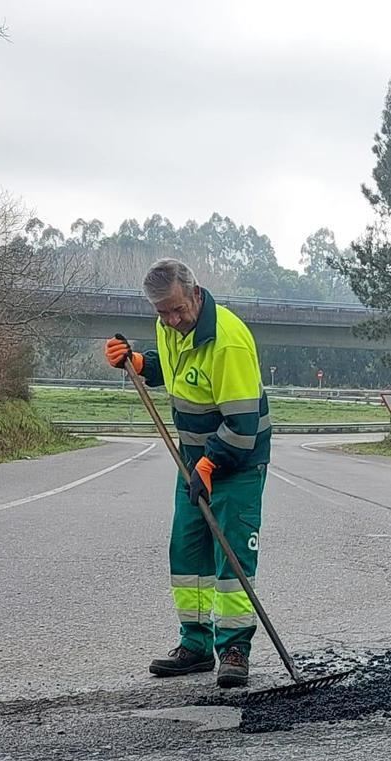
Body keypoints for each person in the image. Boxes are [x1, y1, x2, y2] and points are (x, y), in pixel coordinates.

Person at [104, 259, 271, 688]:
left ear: (196, 294)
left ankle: (234, 648)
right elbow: (175, 371)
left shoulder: (228, 342)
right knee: (187, 551)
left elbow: (242, 425)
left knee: (231, 556)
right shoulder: (169, 326)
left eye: (178, 310)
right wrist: (138, 362)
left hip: (237, 461)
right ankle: (195, 645)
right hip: (191, 461)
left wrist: (211, 464)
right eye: (163, 314)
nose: (173, 321)